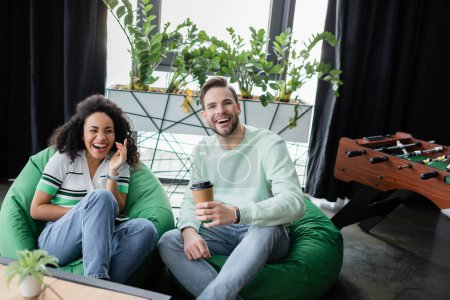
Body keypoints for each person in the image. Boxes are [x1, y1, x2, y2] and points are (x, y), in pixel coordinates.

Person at [157, 77, 306, 299]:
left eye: (227, 103)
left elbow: (295, 203)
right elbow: (192, 197)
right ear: (205, 115)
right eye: (212, 106)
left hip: (263, 233)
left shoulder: (269, 143)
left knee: (268, 226)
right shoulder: (203, 149)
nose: (221, 111)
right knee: (169, 241)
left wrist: (237, 213)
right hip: (221, 232)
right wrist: (188, 232)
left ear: (238, 107)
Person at [30, 94, 157, 283]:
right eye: (93, 130)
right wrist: (87, 213)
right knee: (101, 198)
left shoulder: (119, 162)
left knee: (146, 229)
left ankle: (101, 290)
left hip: (100, 237)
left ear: (116, 134)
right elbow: (36, 209)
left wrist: (113, 171)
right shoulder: (64, 158)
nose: (101, 137)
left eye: (108, 131)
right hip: (56, 241)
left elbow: (118, 208)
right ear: (82, 132)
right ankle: (96, 281)